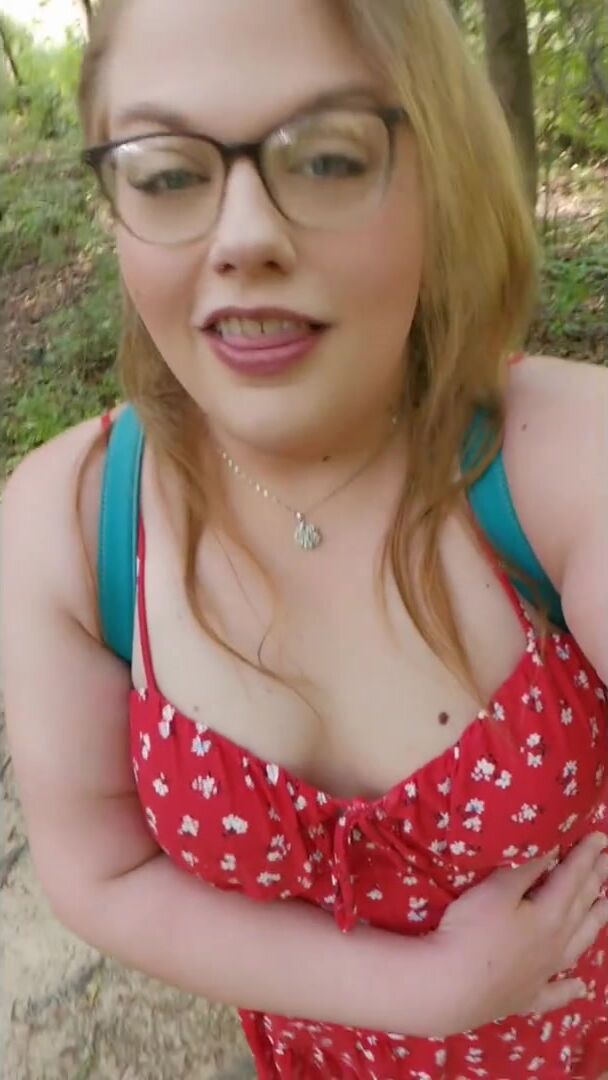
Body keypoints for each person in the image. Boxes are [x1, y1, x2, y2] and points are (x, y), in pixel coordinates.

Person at [1, 0, 607, 1076]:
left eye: (326, 159)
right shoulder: (71, 532)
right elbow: (101, 874)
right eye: (167, 173)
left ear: (440, 174)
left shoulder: (561, 469)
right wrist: (424, 994)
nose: (244, 238)